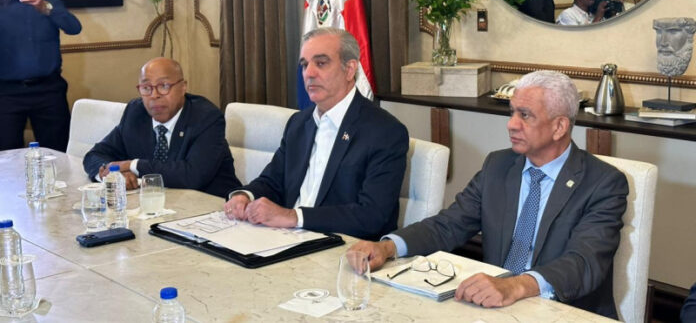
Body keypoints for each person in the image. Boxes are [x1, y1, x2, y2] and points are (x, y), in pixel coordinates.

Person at [349, 70, 628, 318]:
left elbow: (584, 263)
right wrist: (388, 247)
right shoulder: (498, 165)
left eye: (525, 115)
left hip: (563, 311)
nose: (511, 124)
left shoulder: (603, 183)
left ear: (559, 127)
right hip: (495, 308)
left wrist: (516, 285)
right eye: (512, 112)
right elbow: (448, 225)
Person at [223, 27, 408, 240]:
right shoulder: (299, 123)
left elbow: (371, 216)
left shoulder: (384, 132)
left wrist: (294, 217)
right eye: (304, 65)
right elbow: (273, 181)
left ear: (349, 69)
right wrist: (244, 195)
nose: (308, 73)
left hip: (340, 246)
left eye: (320, 63)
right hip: (284, 237)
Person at [83, 57, 241, 198]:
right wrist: (110, 176)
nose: (154, 95)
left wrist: (133, 165)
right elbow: (95, 155)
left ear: (183, 87)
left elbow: (192, 176)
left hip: (212, 208)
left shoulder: (206, 117)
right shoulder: (135, 113)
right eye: (146, 88)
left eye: (164, 86)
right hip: (157, 206)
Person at [0, 0, 81, 151]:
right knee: (6, 155)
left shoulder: (50, 2)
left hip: (48, 91)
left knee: (57, 151)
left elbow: (74, 28)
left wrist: (45, 7)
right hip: (6, 93)